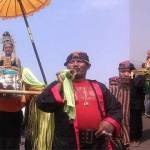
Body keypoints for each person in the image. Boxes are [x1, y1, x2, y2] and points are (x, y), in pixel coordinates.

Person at [37, 51, 122, 150]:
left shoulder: (98, 86)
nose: (75, 64)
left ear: (88, 66)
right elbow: (42, 103)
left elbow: (116, 108)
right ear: (67, 66)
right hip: (68, 143)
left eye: (80, 61)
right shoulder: (59, 85)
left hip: (98, 142)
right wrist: (60, 82)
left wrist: (110, 122)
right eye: (72, 62)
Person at [0, 31, 24, 150]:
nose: (8, 48)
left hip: (14, 84)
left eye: (10, 47)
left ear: (12, 48)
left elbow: (20, 72)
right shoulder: (0, 58)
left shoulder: (17, 59)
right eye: (6, 47)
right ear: (3, 48)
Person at [109, 60, 135, 149]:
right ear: (119, 71)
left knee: (126, 119)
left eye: (129, 71)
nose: (126, 74)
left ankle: (126, 141)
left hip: (128, 114)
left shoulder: (135, 85)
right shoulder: (112, 84)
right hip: (114, 130)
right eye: (123, 71)